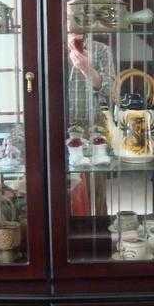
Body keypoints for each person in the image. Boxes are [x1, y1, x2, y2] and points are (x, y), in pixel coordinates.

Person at [66, 33, 115, 216]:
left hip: (93, 128)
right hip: (55, 127)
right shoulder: (51, 46)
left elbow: (111, 90)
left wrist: (87, 68)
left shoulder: (101, 50)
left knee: (96, 197)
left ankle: (98, 234)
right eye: (68, 17)